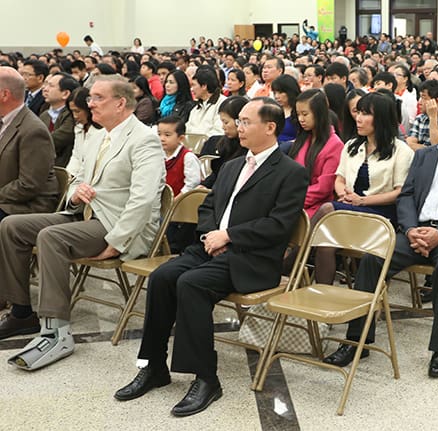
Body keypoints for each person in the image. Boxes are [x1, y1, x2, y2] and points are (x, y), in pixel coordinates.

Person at [114, 98, 308, 417]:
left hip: (252, 259)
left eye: (246, 121)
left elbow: (279, 225)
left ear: (270, 128)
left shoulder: (291, 172)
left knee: (191, 284)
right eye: (239, 121)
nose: (237, 127)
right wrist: (208, 235)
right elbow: (207, 206)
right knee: (162, 277)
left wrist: (229, 236)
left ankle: (206, 378)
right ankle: (153, 366)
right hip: (211, 249)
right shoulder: (231, 165)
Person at [322, 92, 438, 378]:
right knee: (372, 258)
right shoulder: (425, 155)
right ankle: (358, 340)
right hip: (416, 230)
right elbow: (406, 197)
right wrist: (410, 229)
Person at [0, 75, 165, 370]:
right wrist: (76, 195)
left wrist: (116, 243)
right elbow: (77, 180)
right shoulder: (99, 135)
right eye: (90, 98)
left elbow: (142, 200)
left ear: (120, 102)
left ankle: (56, 330)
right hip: (85, 214)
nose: (90, 104)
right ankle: (22, 311)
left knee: (52, 237)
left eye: (97, 98)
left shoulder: (144, 140)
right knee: (12, 225)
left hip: (115, 223)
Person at [312, 92, 414, 284]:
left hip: (381, 214)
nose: (358, 118)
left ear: (382, 118)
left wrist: (362, 200)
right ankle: (321, 300)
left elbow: (399, 192)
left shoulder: (401, 151)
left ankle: (295, 255)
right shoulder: (351, 145)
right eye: (358, 112)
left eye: (366, 114)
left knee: (327, 209)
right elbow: (339, 179)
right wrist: (344, 194)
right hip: (350, 208)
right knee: (325, 242)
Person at [0, 66, 59, 224]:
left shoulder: (33, 131)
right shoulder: (5, 120)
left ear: (4, 95)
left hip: (26, 205)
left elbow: (28, 185)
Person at [289, 89, 344, 217]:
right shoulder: (303, 138)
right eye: (298, 114)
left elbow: (323, 188)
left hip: (314, 206)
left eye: (305, 114)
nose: (301, 119)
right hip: (293, 198)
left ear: (319, 113)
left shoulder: (335, 145)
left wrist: (292, 200)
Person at [199, 96, 248, 189]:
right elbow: (217, 174)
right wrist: (204, 185)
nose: (223, 127)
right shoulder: (221, 143)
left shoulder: (249, 148)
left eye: (226, 122)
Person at [39, 72, 79, 167]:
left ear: (65, 94)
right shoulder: (44, 114)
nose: (45, 89)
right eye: (46, 84)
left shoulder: (73, 114)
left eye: (51, 86)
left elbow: (59, 139)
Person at [159, 117, 202, 196]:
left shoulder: (188, 157)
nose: (161, 138)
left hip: (181, 204)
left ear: (181, 138)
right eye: (159, 134)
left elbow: (191, 185)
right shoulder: (157, 155)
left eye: (167, 135)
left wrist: (175, 202)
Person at [65, 87, 101, 177]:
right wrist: (68, 176)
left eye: (77, 111)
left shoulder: (101, 130)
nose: (75, 116)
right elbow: (76, 156)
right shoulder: (79, 128)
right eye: (72, 111)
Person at [406, 80, 438, 151]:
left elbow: (437, 149)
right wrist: (426, 148)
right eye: (420, 97)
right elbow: (409, 144)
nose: (419, 102)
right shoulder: (420, 118)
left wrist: (433, 118)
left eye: (424, 98)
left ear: (437, 101)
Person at [186, 67, 226, 137]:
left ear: (204, 86)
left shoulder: (223, 103)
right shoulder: (196, 108)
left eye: (194, 85)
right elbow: (187, 130)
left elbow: (219, 132)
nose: (192, 89)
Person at [270, 75, 300, 146]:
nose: (276, 96)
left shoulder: (299, 111)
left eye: (280, 92)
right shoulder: (274, 110)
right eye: (275, 93)